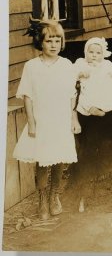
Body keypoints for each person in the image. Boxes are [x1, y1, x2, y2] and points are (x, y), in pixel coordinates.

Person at [13, 18, 81, 220]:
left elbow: (72, 95)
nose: (54, 45)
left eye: (57, 41)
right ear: (40, 42)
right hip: (42, 120)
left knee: (58, 159)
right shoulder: (31, 66)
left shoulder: (67, 65)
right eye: (49, 40)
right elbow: (28, 95)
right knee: (42, 161)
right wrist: (32, 123)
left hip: (61, 119)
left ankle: (54, 196)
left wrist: (73, 119)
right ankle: (42, 199)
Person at [74, 37, 112, 116]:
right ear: (85, 52)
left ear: (103, 54)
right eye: (91, 52)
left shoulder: (106, 63)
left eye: (98, 53)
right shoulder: (81, 62)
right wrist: (81, 74)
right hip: (89, 88)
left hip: (106, 86)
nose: (94, 55)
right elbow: (73, 73)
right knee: (84, 99)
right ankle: (93, 109)